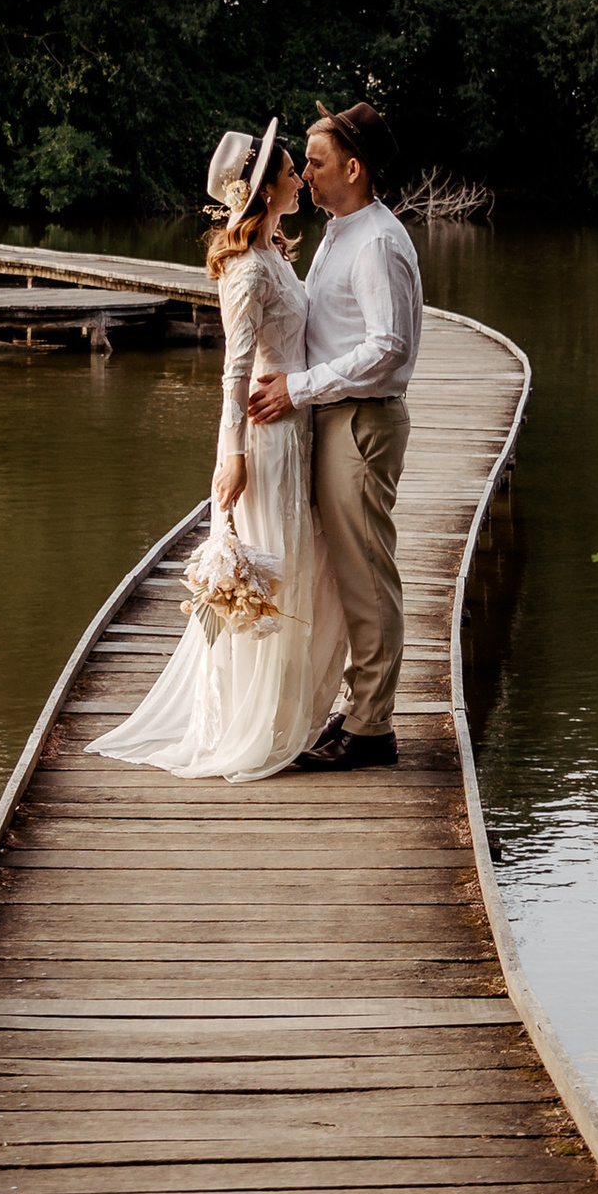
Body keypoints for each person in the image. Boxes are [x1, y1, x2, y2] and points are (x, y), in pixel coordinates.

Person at [86, 118, 345, 782]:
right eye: (290, 171)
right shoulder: (244, 272)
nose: (299, 178)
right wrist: (231, 456)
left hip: (294, 427)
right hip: (264, 441)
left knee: (294, 568)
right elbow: (232, 374)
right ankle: (249, 723)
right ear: (261, 192)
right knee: (269, 576)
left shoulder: (275, 256)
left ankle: (285, 713)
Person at [247, 100, 423, 772]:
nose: (305, 175)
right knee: (340, 572)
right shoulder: (342, 230)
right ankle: (349, 711)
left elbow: (386, 347)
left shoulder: (376, 242)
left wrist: (300, 388)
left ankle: (373, 728)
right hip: (334, 418)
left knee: (365, 573)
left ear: (354, 168)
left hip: (360, 421)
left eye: (315, 164)